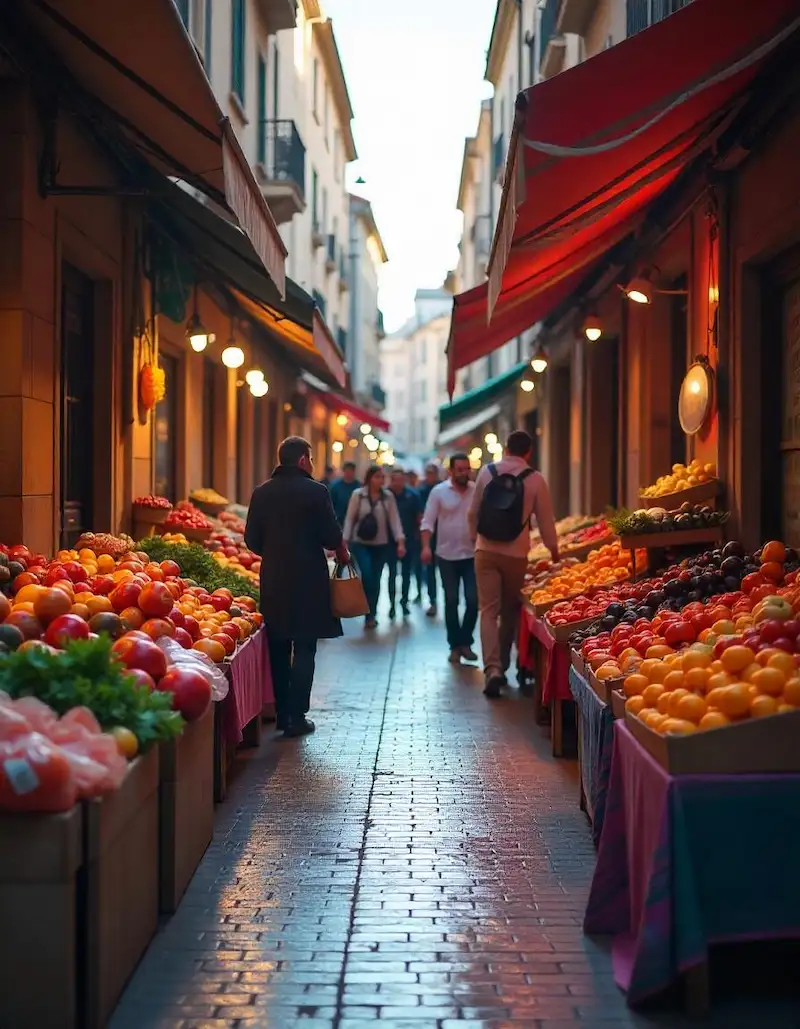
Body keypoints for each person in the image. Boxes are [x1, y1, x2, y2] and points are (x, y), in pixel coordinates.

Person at [244, 436, 349, 737]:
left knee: (278, 646)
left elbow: (251, 539)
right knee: (305, 647)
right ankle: (297, 715)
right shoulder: (317, 492)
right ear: (303, 459)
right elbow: (331, 536)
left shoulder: (261, 492)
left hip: (274, 578)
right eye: (311, 458)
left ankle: (282, 714)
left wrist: (275, 551)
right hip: (309, 580)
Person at [468, 429, 558, 698]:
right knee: (509, 612)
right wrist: (554, 553)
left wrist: (476, 541)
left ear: (506, 448)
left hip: (485, 551)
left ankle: (492, 669)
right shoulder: (535, 479)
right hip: (516, 555)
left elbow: (473, 512)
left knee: (488, 611)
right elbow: (546, 524)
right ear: (528, 451)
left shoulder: (487, 472)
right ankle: (504, 665)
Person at [421, 454, 478, 664]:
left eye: (467, 469)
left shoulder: (476, 491)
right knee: (452, 600)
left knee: (473, 600)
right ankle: (455, 646)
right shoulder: (439, 492)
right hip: (446, 555)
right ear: (451, 471)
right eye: (460, 469)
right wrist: (426, 547)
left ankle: (466, 641)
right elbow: (427, 522)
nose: (464, 473)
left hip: (472, 554)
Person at [343, 465, 405, 629]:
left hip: (381, 544)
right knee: (367, 575)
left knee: (376, 579)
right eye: (377, 477)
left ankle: (371, 614)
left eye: (382, 477)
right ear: (369, 478)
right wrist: (345, 540)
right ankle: (366, 609)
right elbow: (350, 519)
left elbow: (394, 520)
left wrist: (400, 541)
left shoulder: (388, 497)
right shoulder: (358, 495)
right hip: (361, 543)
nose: (380, 480)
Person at [386, 468, 421, 619]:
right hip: (388, 541)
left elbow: (419, 516)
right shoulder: (386, 495)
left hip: (409, 540)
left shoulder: (412, 495)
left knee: (406, 574)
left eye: (401, 480)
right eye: (395, 480)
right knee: (392, 574)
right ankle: (392, 604)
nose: (398, 483)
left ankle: (404, 602)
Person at [416, 462, 441, 616]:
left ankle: (437, 599)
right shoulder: (421, 491)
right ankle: (432, 599)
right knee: (428, 569)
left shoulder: (441, 489)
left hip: (443, 534)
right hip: (427, 534)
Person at [329, 461, 360, 526]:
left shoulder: (359, 486)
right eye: (347, 471)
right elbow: (330, 504)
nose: (349, 473)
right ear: (344, 471)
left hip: (356, 522)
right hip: (339, 521)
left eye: (351, 471)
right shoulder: (335, 487)